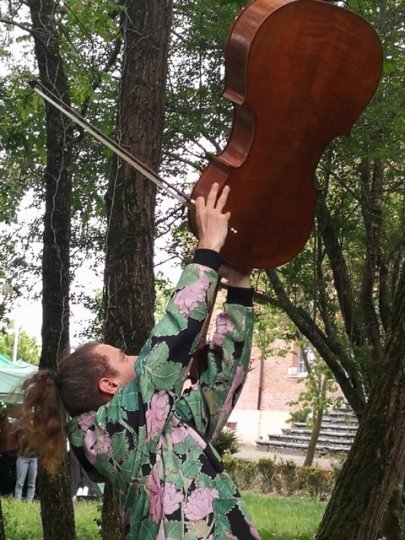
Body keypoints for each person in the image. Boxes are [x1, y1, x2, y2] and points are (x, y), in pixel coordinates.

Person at [20, 183, 260, 539]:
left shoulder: (160, 426)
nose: (134, 355)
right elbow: (165, 350)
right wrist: (207, 251)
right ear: (110, 384)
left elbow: (218, 390)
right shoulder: (112, 437)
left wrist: (238, 290)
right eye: (122, 356)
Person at [14, 428, 38, 503]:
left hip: (34, 458)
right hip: (22, 457)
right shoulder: (21, 428)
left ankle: (29, 502)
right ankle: (17, 501)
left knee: (32, 483)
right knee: (20, 482)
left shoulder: (37, 428)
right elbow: (18, 440)